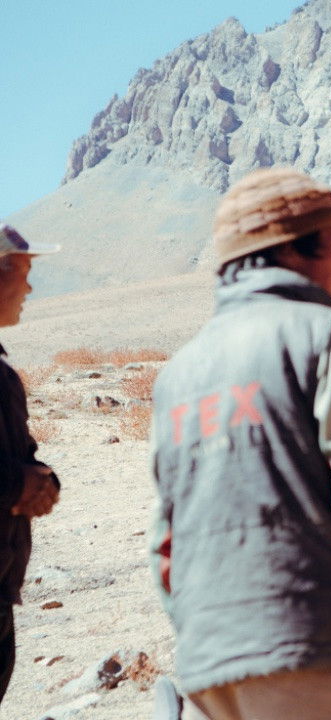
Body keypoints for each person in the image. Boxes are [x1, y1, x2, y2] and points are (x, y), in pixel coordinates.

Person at [149, 168, 331, 720]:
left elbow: (167, 539)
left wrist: (204, 638)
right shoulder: (317, 332)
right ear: (291, 252)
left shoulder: (176, 374)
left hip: (208, 671)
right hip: (311, 655)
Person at [0, 224, 60, 707]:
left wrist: (42, 481)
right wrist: (16, 483)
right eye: (23, 272)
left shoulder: (3, 376)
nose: (30, 288)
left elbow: (23, 455)